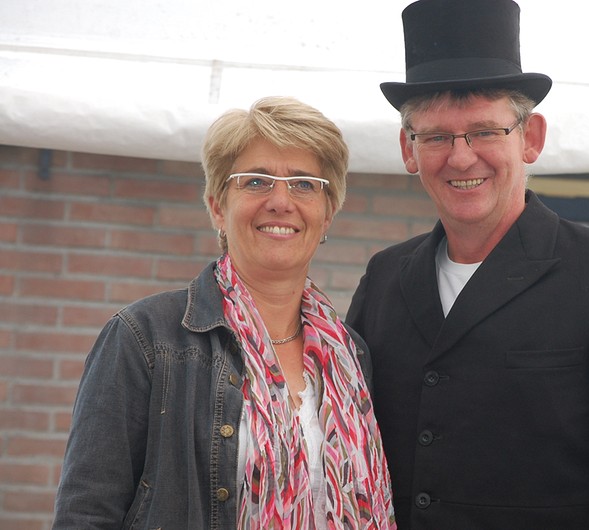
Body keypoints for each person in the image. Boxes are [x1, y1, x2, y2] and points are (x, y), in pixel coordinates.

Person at [346, 0, 589, 528]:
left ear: (531, 138)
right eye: (436, 136)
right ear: (408, 149)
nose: (461, 157)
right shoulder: (384, 279)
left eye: (486, 131)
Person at [53, 96, 395, 529]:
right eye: (256, 181)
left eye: (304, 184)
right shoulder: (144, 338)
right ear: (218, 206)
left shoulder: (351, 355)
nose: (281, 201)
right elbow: (86, 514)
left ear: (327, 214)